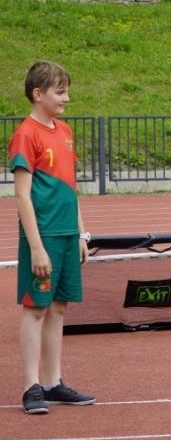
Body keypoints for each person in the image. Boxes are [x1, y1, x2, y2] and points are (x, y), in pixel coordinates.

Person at [9, 61, 95, 416]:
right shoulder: (25, 134)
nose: (66, 98)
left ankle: (53, 382)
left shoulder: (65, 131)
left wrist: (81, 232)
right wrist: (36, 247)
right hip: (43, 236)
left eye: (66, 91)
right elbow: (21, 194)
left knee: (58, 307)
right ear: (37, 94)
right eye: (60, 92)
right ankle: (31, 386)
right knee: (36, 308)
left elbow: (70, 186)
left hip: (67, 234)